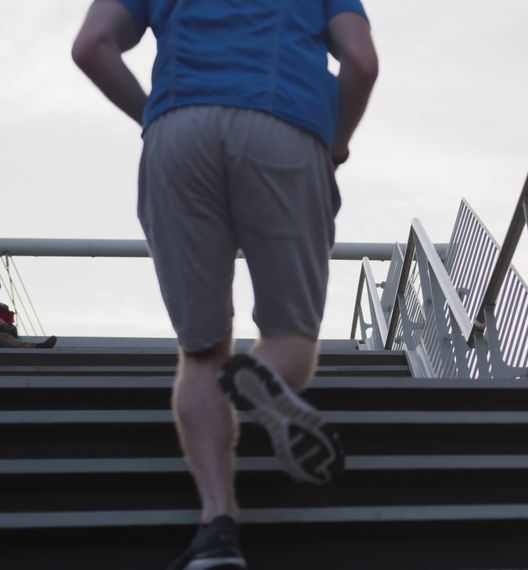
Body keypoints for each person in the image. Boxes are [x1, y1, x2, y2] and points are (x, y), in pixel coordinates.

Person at [72, 1, 378, 568]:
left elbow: (90, 47)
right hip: (285, 125)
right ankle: (260, 377)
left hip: (177, 133)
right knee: (291, 335)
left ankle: (218, 525)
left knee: (202, 350)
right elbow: (360, 61)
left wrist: (153, 114)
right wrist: (337, 143)